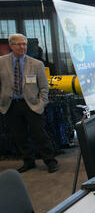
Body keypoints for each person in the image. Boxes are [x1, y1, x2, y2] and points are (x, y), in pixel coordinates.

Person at [0, 34, 58, 173]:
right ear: (11, 46)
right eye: (19, 44)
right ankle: (28, 161)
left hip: (31, 104)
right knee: (19, 136)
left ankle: (50, 161)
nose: (22, 47)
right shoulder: (2, 62)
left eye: (24, 44)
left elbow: (44, 87)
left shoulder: (36, 64)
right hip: (11, 105)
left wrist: (40, 104)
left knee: (40, 134)